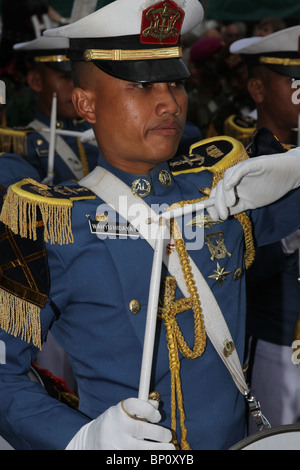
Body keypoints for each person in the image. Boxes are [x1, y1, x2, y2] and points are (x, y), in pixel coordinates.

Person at [1, 0, 300, 451]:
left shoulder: (227, 188)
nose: (169, 102)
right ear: (85, 102)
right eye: (141, 86)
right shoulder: (47, 223)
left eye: (175, 82)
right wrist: (80, 438)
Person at [230, 26, 300, 432]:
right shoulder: (234, 167)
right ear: (257, 88)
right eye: (295, 80)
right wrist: (288, 241)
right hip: (275, 342)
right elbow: (225, 269)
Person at [0, 35, 99, 185]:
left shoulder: (96, 132)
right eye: (65, 77)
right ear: (36, 81)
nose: (76, 87)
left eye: (78, 78)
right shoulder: (22, 145)